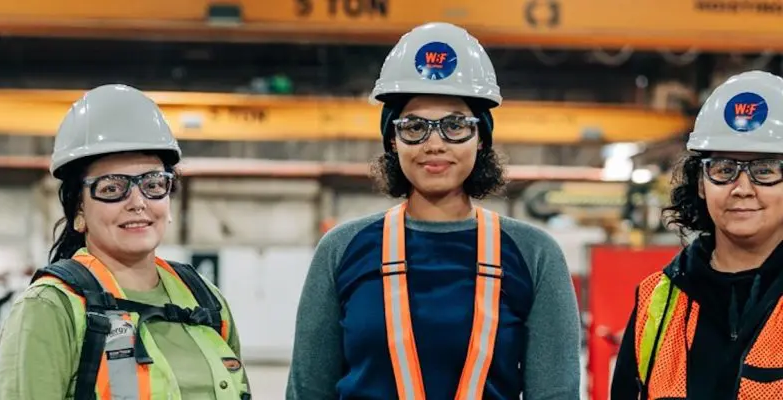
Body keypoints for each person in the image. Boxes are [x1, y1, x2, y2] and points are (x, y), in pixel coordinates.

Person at [285, 22, 581, 400]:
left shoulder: (534, 254)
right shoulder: (342, 250)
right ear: (392, 141)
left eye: (456, 125)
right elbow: (308, 390)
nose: (435, 143)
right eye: (414, 127)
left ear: (482, 139)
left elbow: (555, 394)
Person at [0, 84, 250, 399]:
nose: (138, 202)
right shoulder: (50, 308)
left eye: (154, 184)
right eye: (112, 188)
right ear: (79, 210)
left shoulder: (204, 299)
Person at [610, 70, 783, 399]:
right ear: (701, 183)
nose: (742, 188)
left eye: (765, 170)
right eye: (722, 169)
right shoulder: (657, 301)